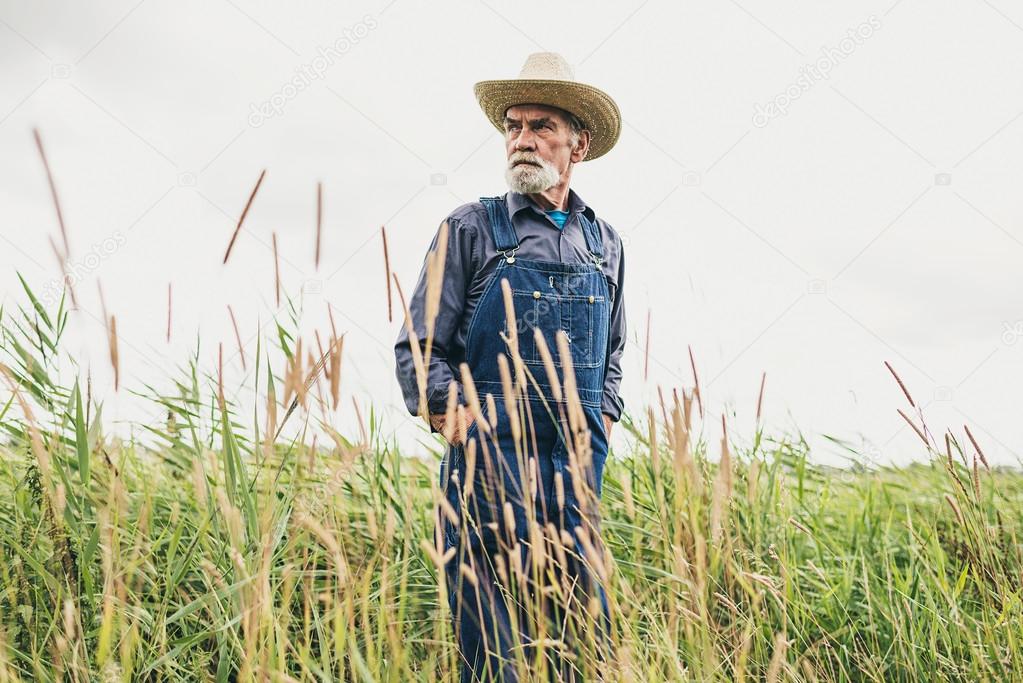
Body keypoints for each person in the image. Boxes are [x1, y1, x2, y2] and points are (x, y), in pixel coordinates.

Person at [394, 51, 626, 682]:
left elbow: (613, 355)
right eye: (513, 125)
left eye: (541, 125)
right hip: (484, 477)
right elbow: (418, 349)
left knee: (583, 656)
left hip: (574, 483)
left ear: (577, 144)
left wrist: (602, 414)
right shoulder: (471, 228)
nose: (522, 138)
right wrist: (452, 415)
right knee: (494, 661)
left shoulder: (605, 244)